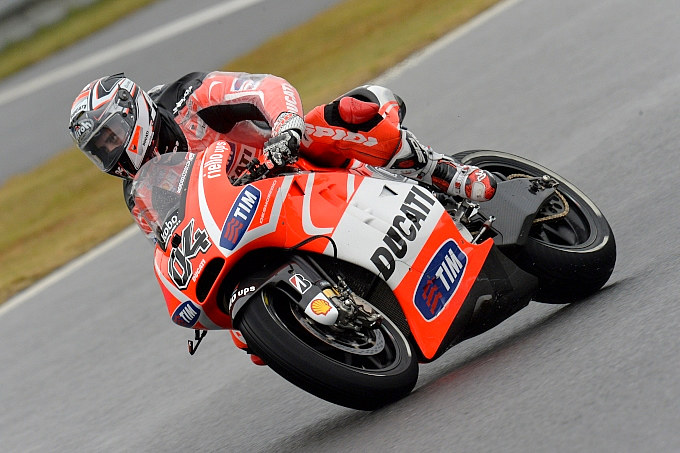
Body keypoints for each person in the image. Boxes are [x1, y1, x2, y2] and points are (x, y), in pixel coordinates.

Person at [68, 72, 496, 215]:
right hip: (254, 219)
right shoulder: (139, 193)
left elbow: (265, 88)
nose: (110, 149)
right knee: (247, 337)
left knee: (332, 122)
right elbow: (170, 245)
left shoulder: (187, 98)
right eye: (99, 149)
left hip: (293, 164)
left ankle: (439, 170)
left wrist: (286, 128)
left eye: (110, 135)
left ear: (133, 111)